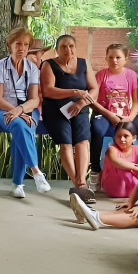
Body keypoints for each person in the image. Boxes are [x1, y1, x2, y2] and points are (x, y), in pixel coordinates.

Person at [0, 28, 51, 198]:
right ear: (10, 45)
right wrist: (15, 111)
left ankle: (18, 184)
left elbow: (34, 100)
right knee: (18, 124)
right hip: (2, 109)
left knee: (21, 128)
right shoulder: (0, 66)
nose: (22, 48)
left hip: (26, 110)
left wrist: (20, 110)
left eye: (25, 44)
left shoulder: (31, 68)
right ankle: (36, 172)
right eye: (18, 44)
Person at [41, 34, 99, 202]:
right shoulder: (49, 65)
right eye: (63, 47)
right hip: (56, 109)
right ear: (57, 50)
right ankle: (78, 185)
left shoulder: (83, 63)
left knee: (83, 141)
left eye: (71, 46)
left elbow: (94, 88)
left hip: (79, 107)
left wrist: (81, 102)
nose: (68, 50)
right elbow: (48, 90)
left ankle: (81, 183)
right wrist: (75, 92)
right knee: (66, 142)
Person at [71, 136, 138, 230]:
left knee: (135, 216)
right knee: (127, 210)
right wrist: (130, 203)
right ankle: (91, 214)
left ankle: (96, 217)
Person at [88, 43, 138, 191]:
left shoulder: (131, 75)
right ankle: (95, 171)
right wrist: (109, 114)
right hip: (104, 114)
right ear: (106, 58)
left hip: (126, 114)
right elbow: (92, 102)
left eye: (118, 57)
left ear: (125, 59)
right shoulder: (101, 75)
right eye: (111, 57)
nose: (114, 60)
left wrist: (130, 117)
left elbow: (136, 102)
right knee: (97, 130)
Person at [100, 122, 138, 198]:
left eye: (126, 136)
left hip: (133, 188)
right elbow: (116, 162)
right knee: (121, 166)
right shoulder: (111, 150)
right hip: (114, 189)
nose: (122, 139)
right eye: (119, 136)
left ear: (134, 138)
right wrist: (136, 168)